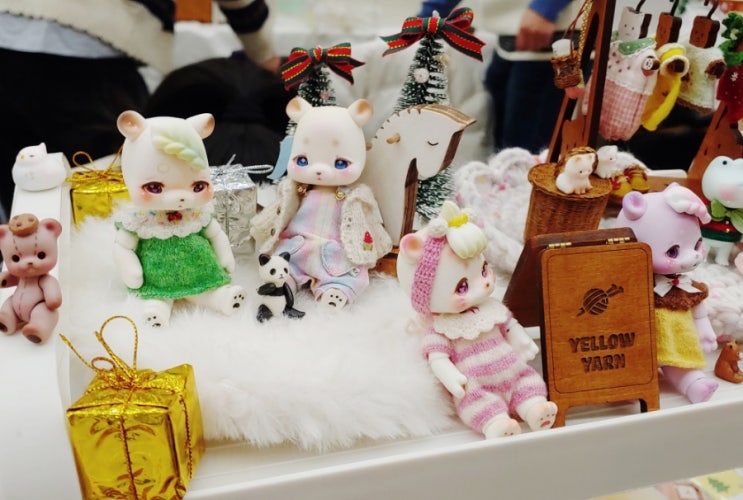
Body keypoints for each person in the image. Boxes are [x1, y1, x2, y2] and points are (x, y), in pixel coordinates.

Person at [0, 0, 280, 216]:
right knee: (102, 198)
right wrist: (262, 51)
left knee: (22, 193)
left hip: (7, 33)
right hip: (95, 47)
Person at [418, 0, 581, 154]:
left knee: (525, 157)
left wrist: (546, 7)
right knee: (503, 153)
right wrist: (428, 16)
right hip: (509, 43)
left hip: (550, 42)